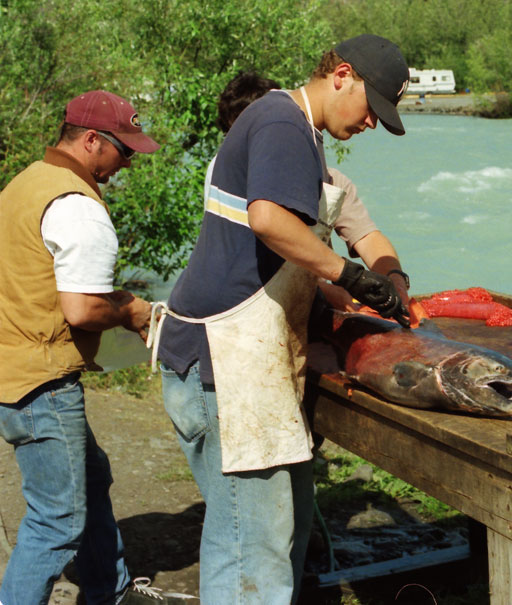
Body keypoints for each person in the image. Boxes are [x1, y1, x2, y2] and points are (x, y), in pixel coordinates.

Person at [150, 35, 412, 603]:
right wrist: (348, 276)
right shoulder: (280, 120)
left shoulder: (304, 134)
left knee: (276, 534)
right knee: (252, 550)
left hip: (248, 364)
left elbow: (355, 233)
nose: (371, 123)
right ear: (342, 75)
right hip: (223, 363)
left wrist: (390, 278)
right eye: (372, 108)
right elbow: (268, 219)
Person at [0, 92, 184, 603]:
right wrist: (129, 311)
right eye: (123, 151)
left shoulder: (26, 182)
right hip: (42, 384)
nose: (126, 164)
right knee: (55, 522)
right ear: (90, 141)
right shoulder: (79, 207)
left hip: (11, 369)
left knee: (91, 474)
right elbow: (81, 310)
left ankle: (110, 589)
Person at [214, 71, 411, 310]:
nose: (372, 123)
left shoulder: (331, 181)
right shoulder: (237, 170)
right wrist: (345, 279)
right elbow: (265, 223)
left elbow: (367, 237)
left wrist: (395, 279)